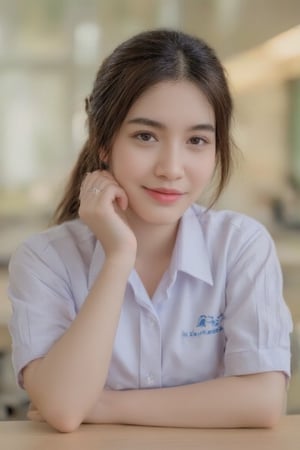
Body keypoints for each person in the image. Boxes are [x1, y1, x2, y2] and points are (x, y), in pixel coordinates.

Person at [8, 28, 293, 433]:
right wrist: (118, 257)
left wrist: (105, 405)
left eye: (196, 140)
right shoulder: (45, 259)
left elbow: (263, 402)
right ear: (103, 142)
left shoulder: (240, 245)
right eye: (145, 136)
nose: (171, 168)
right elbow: (66, 409)